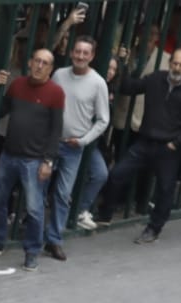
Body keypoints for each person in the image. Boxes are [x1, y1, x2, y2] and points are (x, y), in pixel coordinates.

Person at [96, 47, 181, 245]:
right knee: (117, 173)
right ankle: (105, 214)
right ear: (170, 63)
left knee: (165, 189)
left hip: (169, 147)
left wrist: (177, 142)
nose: (177, 68)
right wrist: (122, 64)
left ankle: (154, 228)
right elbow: (130, 87)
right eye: (174, 63)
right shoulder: (157, 79)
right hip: (145, 141)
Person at [0, 49, 63, 272]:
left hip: (34, 160)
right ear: (30, 62)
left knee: (34, 209)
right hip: (9, 154)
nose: (39, 66)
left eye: (45, 63)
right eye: (37, 61)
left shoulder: (56, 93)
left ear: (51, 69)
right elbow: (0, 110)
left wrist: (48, 161)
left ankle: (32, 252)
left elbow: (56, 130)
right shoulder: (17, 85)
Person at [45, 36, 110, 260]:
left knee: (63, 194)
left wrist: (83, 140)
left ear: (92, 56)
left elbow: (103, 119)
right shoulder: (59, 75)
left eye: (86, 53)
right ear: (72, 52)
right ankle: (35, 235)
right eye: (77, 51)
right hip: (51, 143)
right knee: (39, 189)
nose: (80, 56)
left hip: (73, 147)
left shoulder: (98, 82)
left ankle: (54, 239)